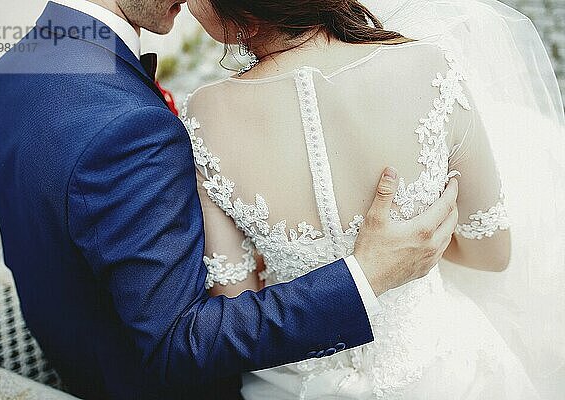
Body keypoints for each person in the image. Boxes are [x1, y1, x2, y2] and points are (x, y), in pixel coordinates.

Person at [0, 0, 459, 398]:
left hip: (76, 349)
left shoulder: (22, 58)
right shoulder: (128, 123)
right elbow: (176, 342)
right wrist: (366, 275)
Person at [182, 0, 564, 398]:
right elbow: (491, 252)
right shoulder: (429, 68)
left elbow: (236, 301)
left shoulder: (204, 112)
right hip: (435, 373)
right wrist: (414, 243)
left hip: (294, 380)